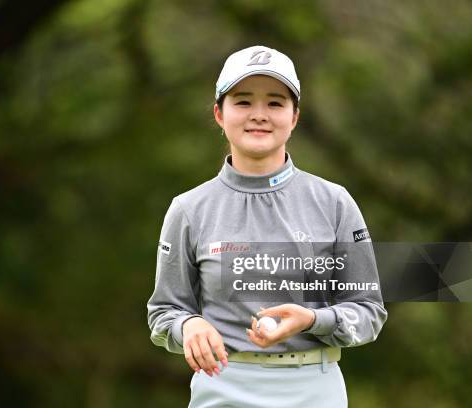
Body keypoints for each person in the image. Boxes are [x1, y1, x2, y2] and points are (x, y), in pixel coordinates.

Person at [147, 45, 387, 408]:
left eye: (275, 103)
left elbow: (368, 312)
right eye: (243, 102)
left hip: (315, 389)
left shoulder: (334, 202)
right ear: (219, 113)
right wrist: (188, 326)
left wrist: (312, 320)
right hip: (221, 388)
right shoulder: (188, 209)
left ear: (294, 118)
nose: (259, 115)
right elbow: (165, 312)